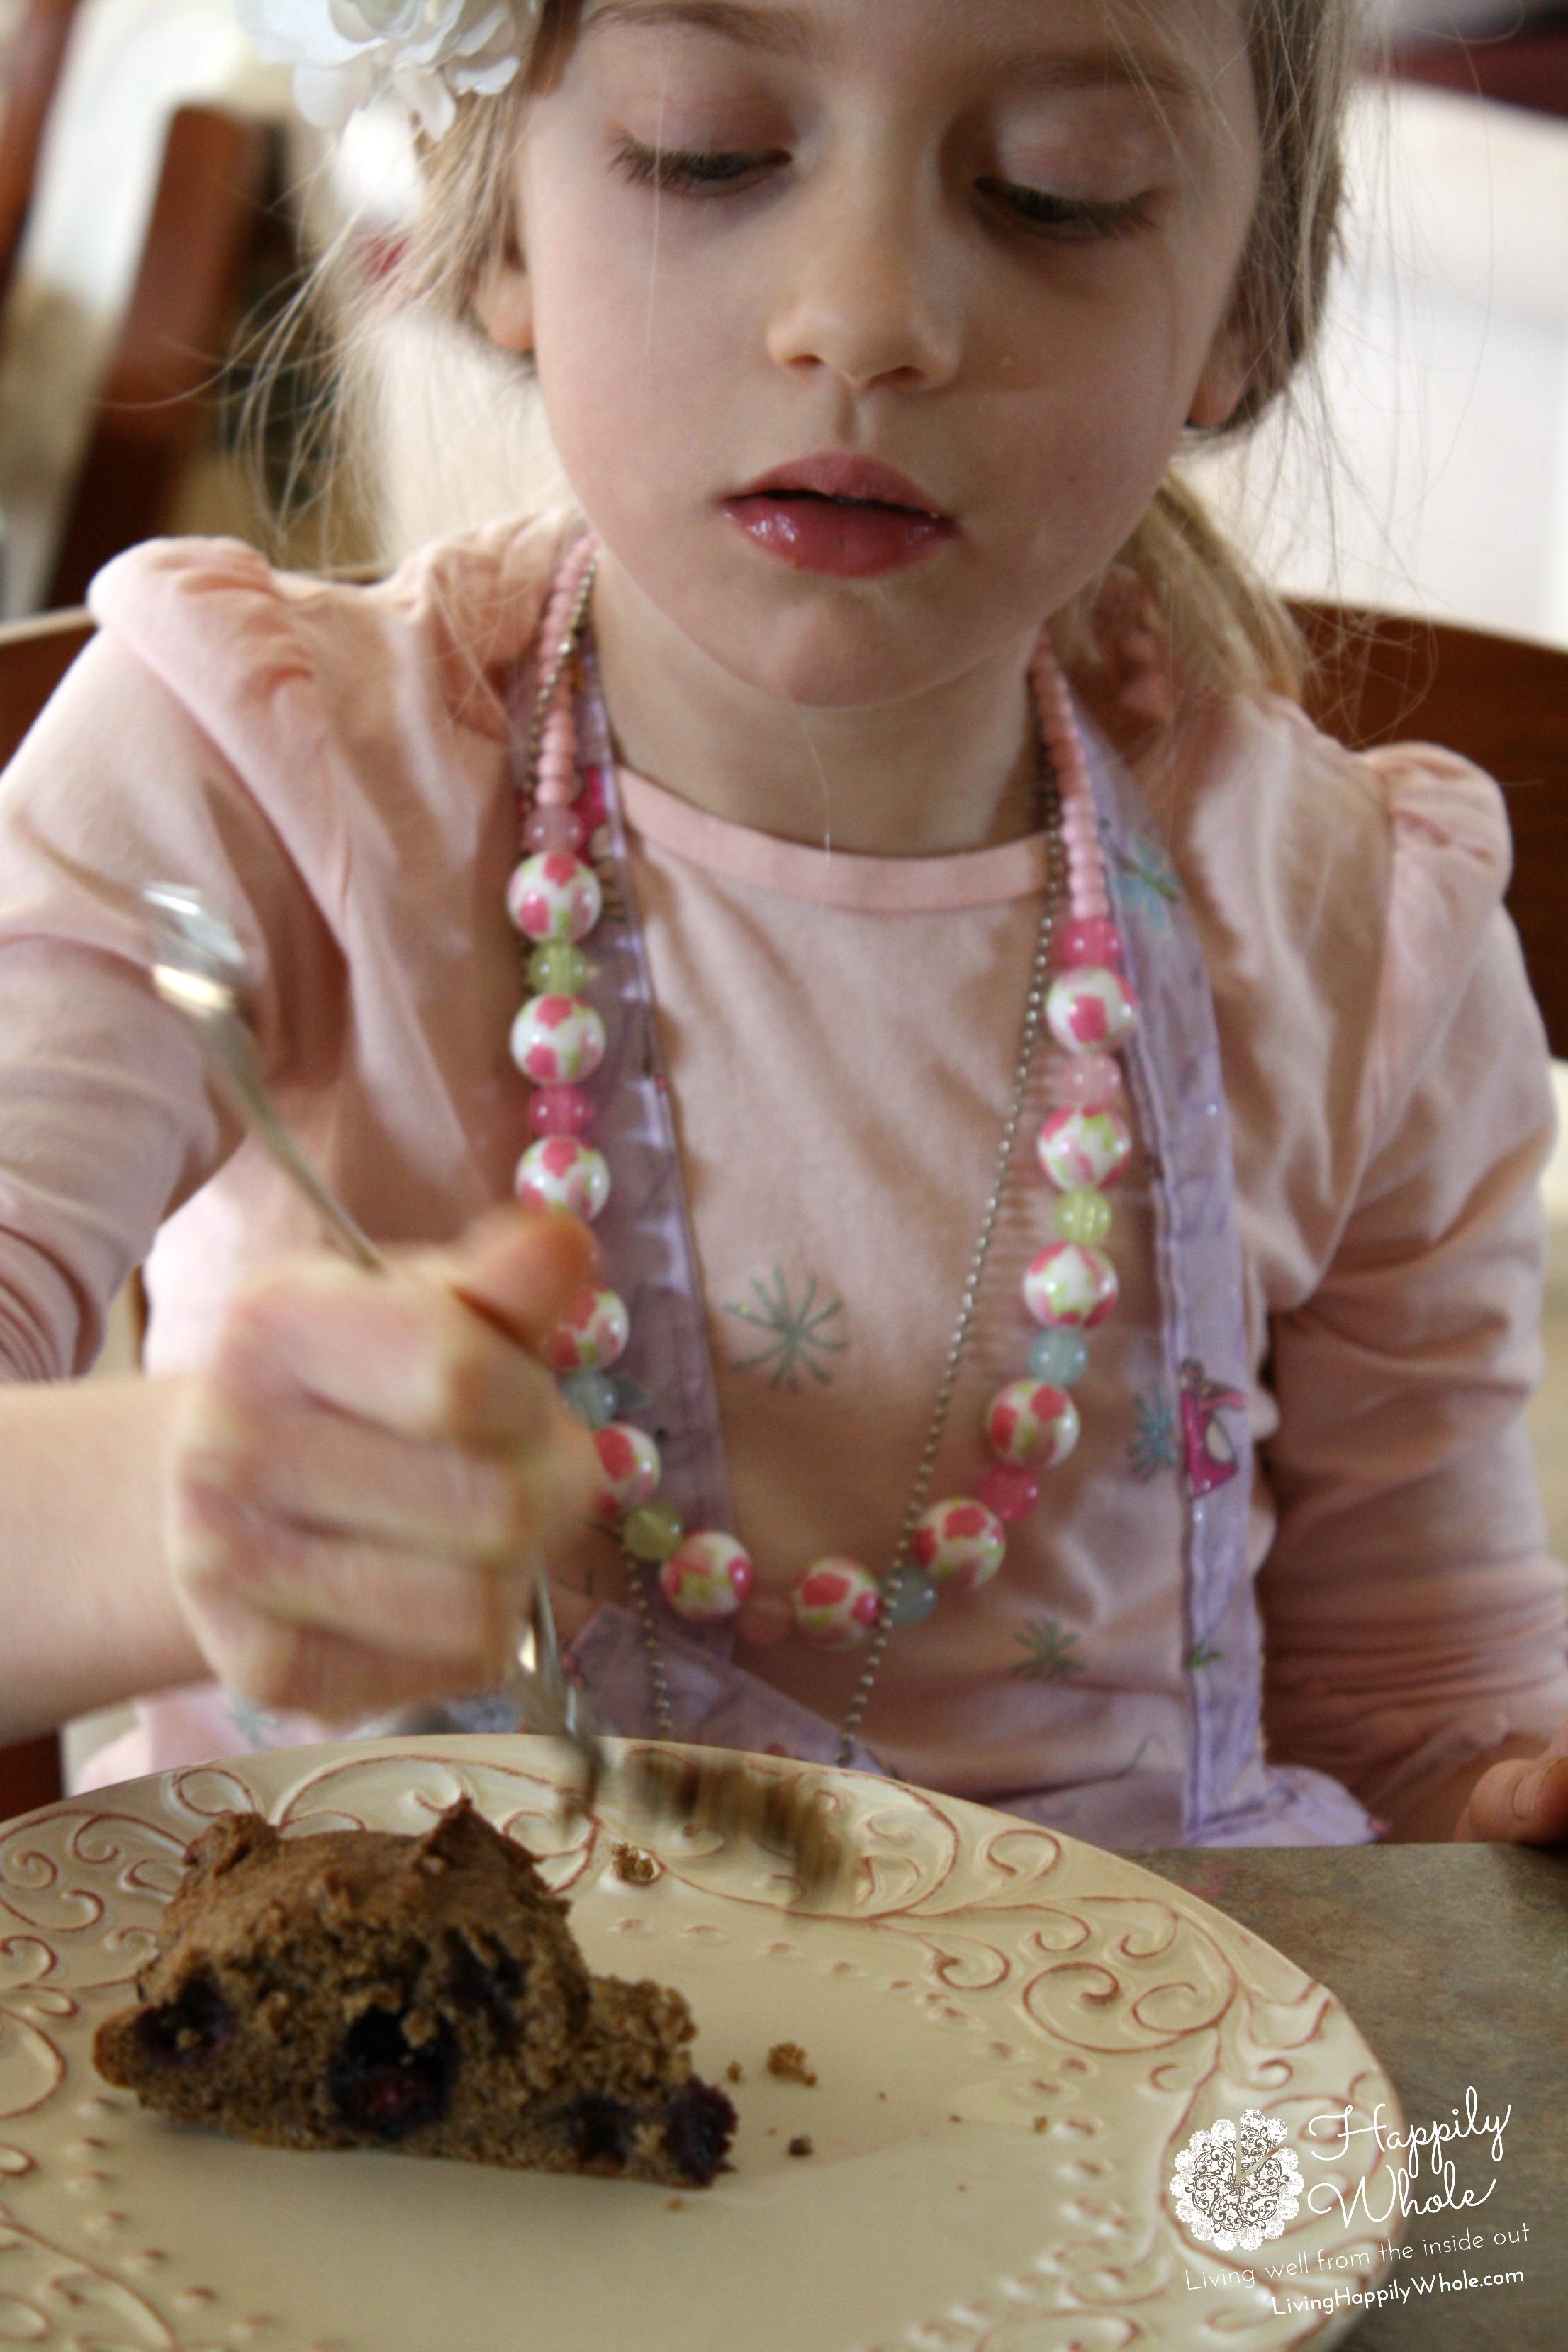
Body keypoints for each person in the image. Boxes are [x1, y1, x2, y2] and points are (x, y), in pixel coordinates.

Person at [0, 0, 1564, 1847]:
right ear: (497, 233)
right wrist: (173, 1513)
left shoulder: (1357, 938)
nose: (865, 318)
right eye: (703, 151)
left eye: (1060, 195)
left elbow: (1418, 1722)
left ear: (1243, 310)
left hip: (1114, 2102)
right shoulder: (247, 776)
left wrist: (1509, 1799)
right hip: (362, 2090)